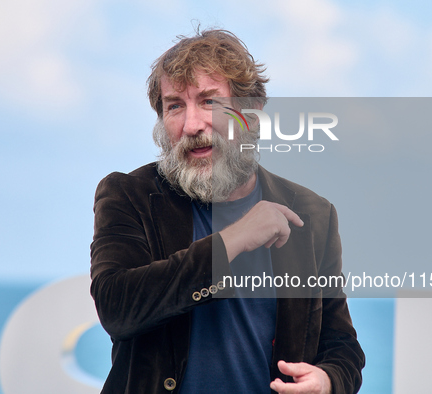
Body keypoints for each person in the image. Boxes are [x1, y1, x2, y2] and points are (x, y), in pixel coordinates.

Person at [90, 29, 365, 394]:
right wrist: (232, 240)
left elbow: (342, 346)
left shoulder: (313, 214)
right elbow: (117, 308)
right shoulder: (130, 195)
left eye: (208, 102)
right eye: (174, 106)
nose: (191, 125)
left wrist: (328, 380)